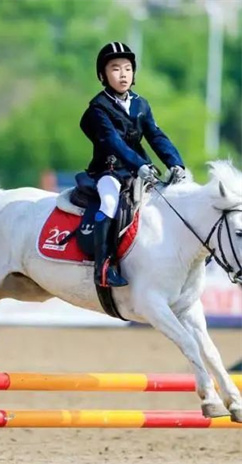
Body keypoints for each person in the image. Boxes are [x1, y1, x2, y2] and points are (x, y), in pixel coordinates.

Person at [80, 41, 185, 288]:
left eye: (127, 68)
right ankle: (103, 267)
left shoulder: (141, 104)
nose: (123, 74)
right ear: (103, 75)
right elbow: (112, 142)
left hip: (141, 171)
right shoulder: (98, 108)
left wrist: (175, 163)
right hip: (109, 170)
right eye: (115, 69)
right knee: (109, 202)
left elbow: (156, 136)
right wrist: (139, 165)